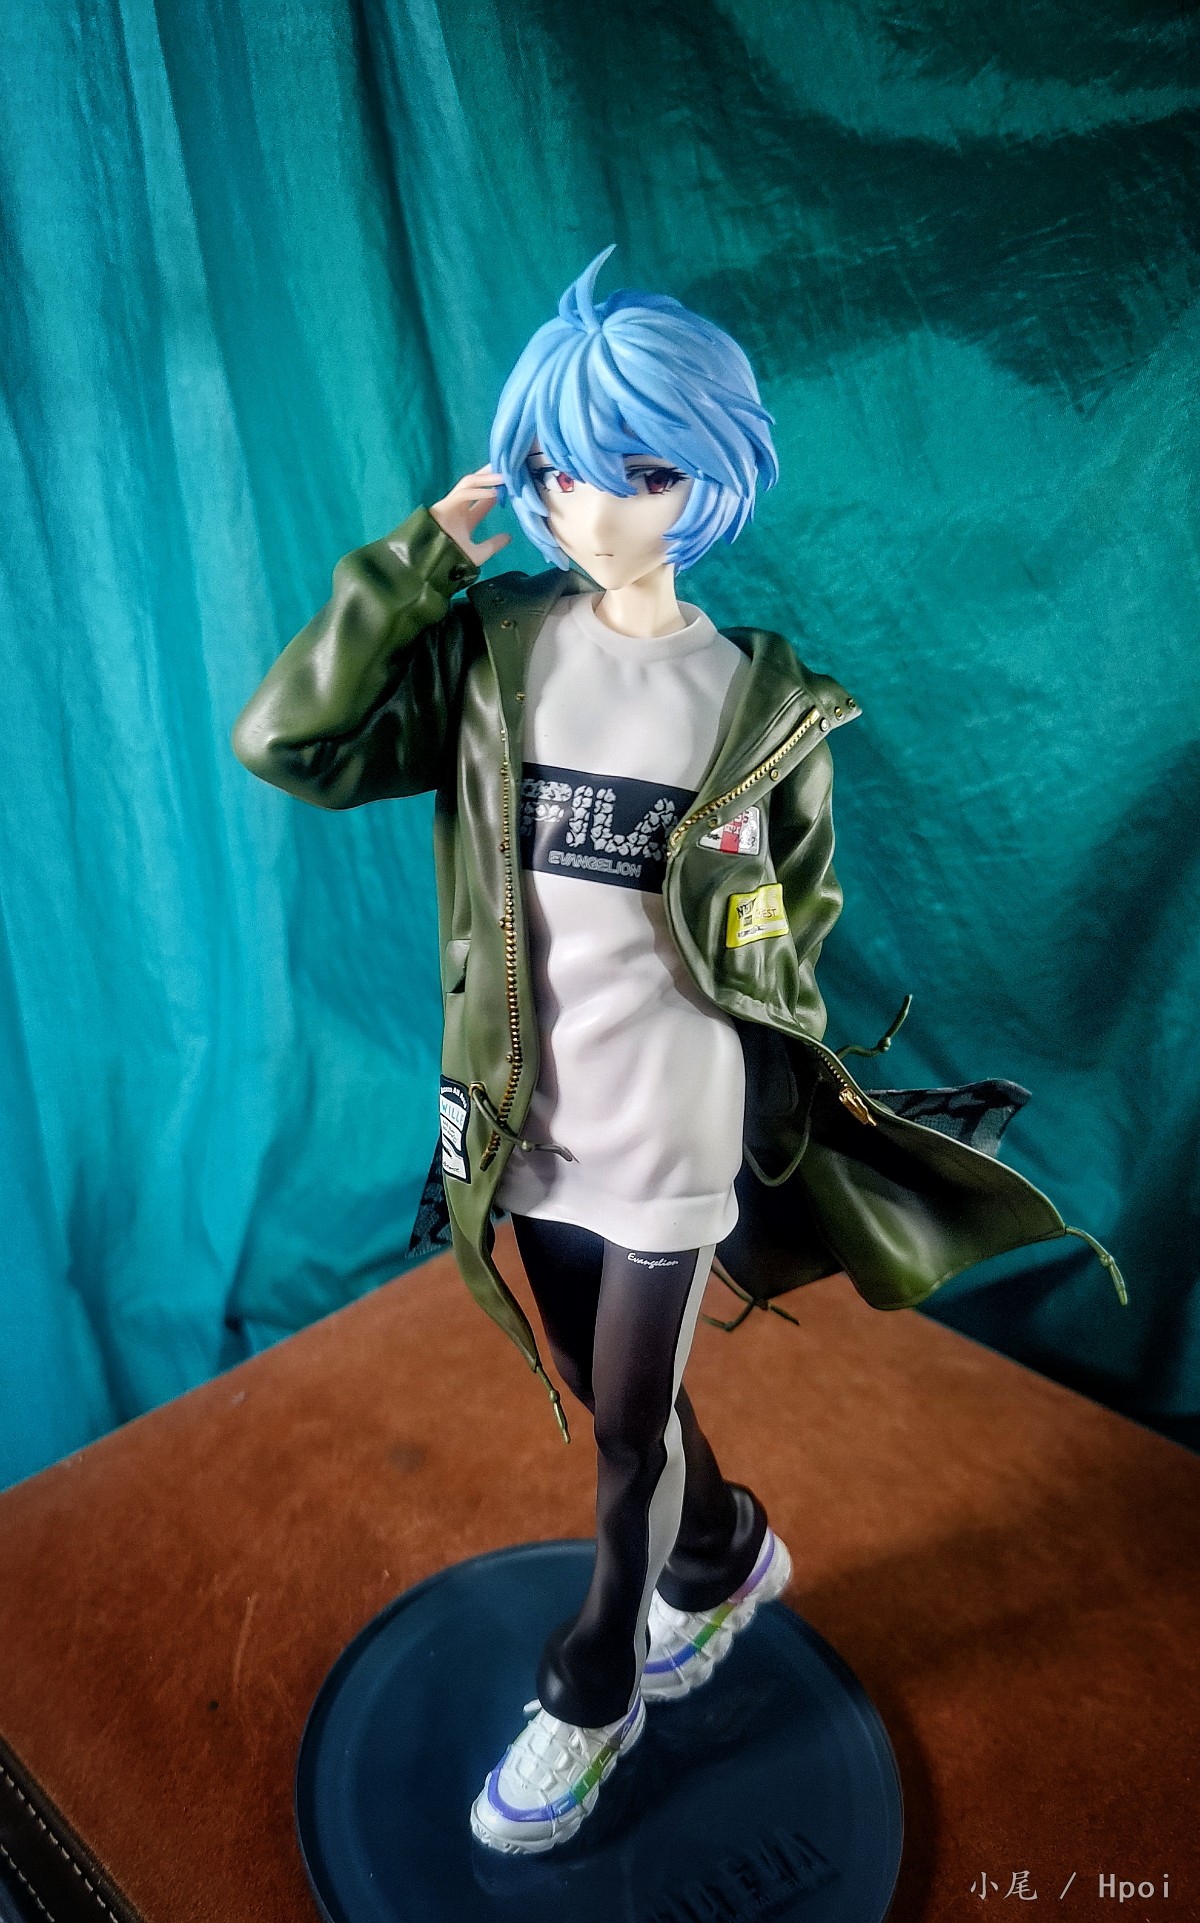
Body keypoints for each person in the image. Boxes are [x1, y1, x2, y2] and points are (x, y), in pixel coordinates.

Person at [232, 247, 1124, 1856]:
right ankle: (718, 1555)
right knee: (602, 1390)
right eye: (557, 465)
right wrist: (419, 560)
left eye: (634, 467)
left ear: (708, 475)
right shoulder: (497, 653)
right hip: (528, 1110)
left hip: (674, 1122)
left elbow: (792, 925)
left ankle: (596, 1689)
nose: (586, 503)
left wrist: (740, 926)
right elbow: (288, 740)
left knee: (627, 1426)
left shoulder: (759, 702)